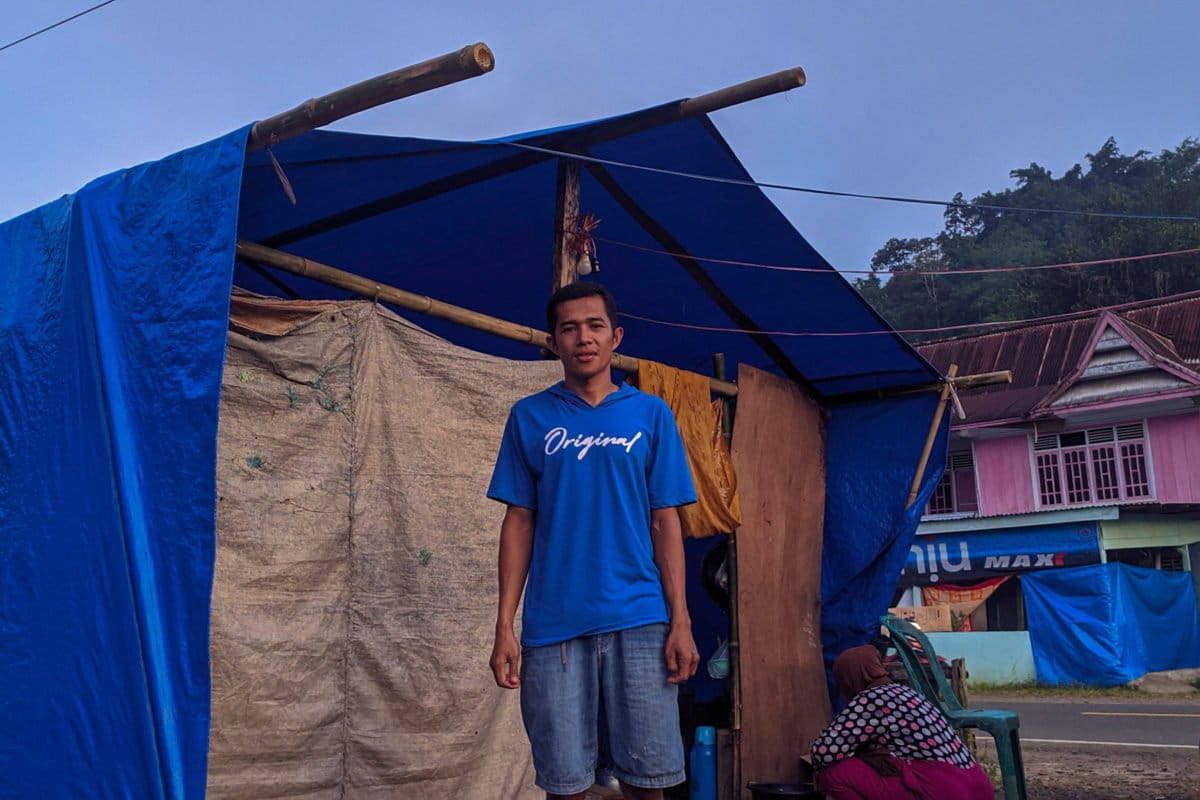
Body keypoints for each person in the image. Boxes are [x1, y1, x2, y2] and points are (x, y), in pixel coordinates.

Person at [487, 281, 700, 800]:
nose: (583, 337)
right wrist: (503, 626)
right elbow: (518, 520)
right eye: (569, 328)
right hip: (553, 627)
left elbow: (665, 520)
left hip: (641, 619)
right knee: (566, 785)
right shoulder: (530, 417)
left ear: (615, 336)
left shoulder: (651, 415)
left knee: (648, 782)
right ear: (554, 341)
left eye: (595, 325)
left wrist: (682, 621)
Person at [810, 645, 994, 800]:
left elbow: (823, 753)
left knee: (832, 775)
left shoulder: (871, 699)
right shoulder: (905, 692)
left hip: (944, 789)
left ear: (851, 678)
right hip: (978, 786)